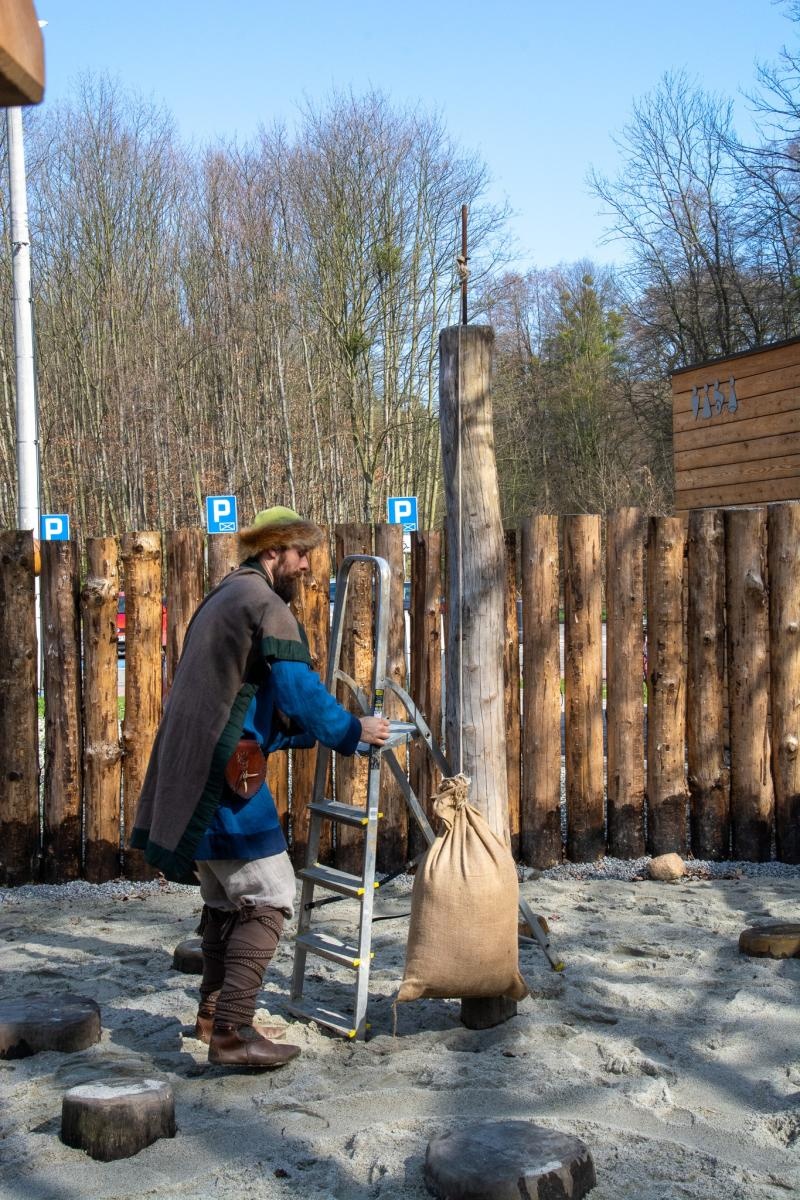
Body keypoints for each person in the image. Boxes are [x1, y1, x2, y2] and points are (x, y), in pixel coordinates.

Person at [130, 507, 390, 1068]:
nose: (306, 568)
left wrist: (307, 733)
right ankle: (232, 1034)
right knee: (270, 895)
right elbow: (297, 692)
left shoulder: (226, 595)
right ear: (273, 552)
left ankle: (211, 1015)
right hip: (222, 779)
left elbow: (253, 695)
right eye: (300, 556)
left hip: (193, 767)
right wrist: (353, 730)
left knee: (227, 900)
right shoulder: (263, 604)